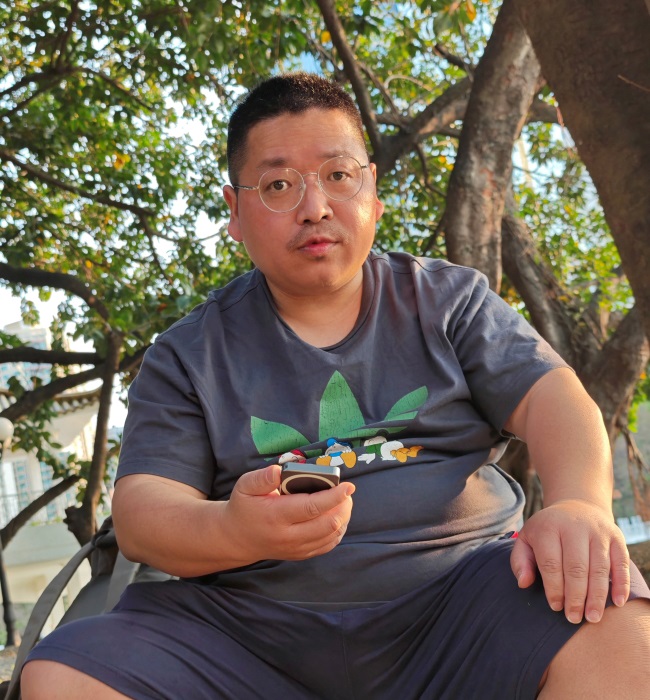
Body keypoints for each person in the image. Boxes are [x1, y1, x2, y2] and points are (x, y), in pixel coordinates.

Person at [22, 72, 650, 700]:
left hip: (464, 612)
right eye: (277, 185)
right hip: (246, 637)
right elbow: (143, 512)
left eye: (338, 175)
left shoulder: (448, 301)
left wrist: (579, 505)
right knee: (61, 677)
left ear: (372, 191)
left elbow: (555, 399)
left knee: (616, 627)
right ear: (234, 212)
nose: (314, 207)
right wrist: (235, 530)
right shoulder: (185, 356)